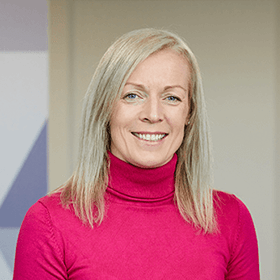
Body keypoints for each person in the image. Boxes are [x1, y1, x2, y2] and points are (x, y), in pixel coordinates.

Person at [13, 28, 260, 279]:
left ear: (190, 114)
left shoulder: (231, 219)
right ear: (105, 108)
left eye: (171, 97)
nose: (153, 114)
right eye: (132, 95)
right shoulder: (49, 223)